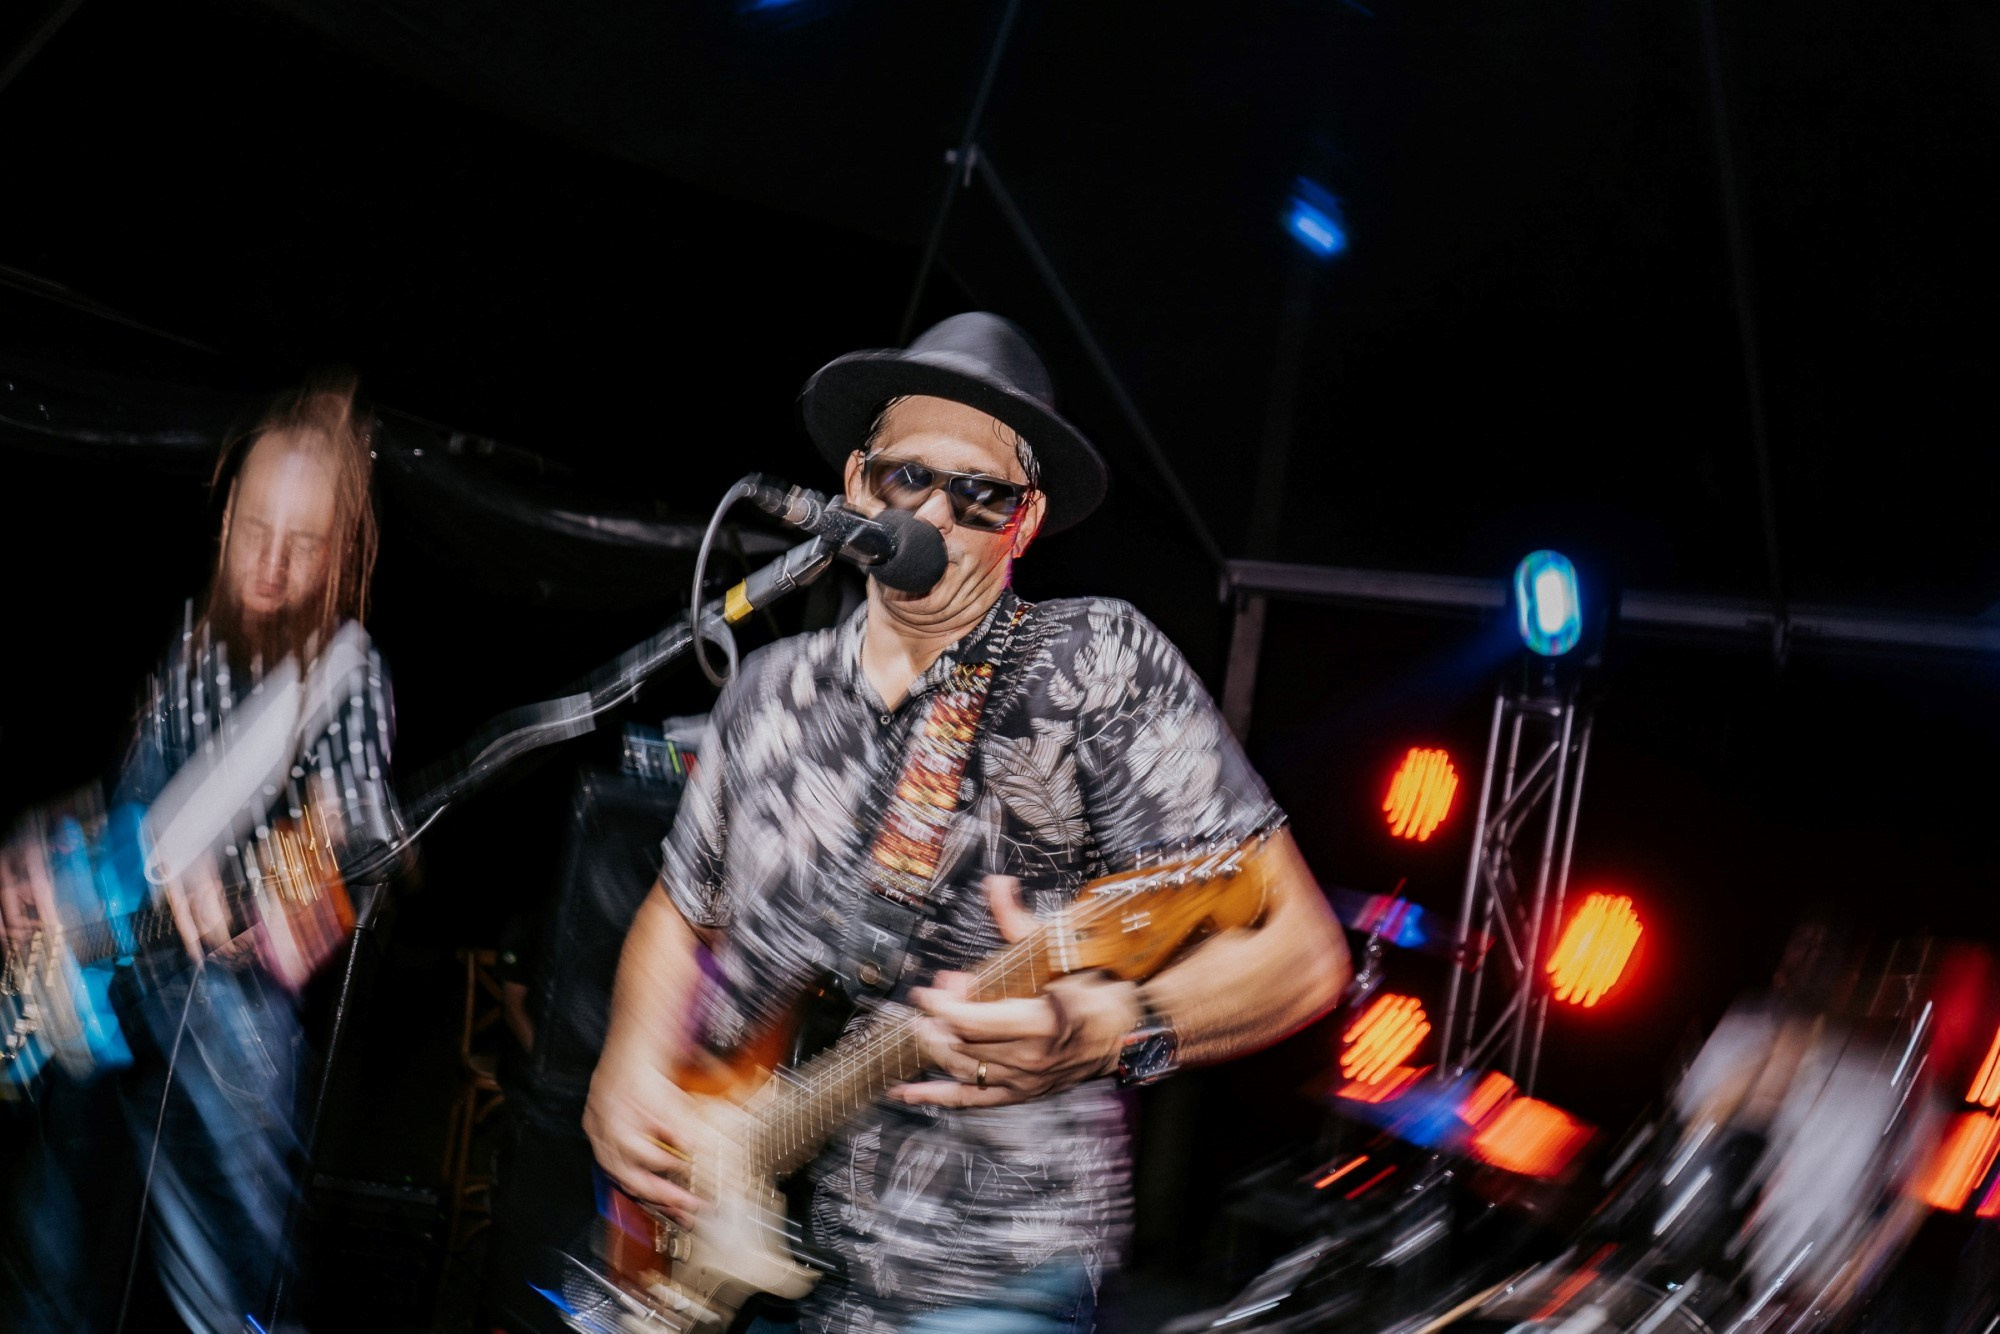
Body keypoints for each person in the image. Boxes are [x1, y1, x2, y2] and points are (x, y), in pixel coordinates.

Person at [584, 313, 1351, 1332]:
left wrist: (1116, 1027)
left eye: (979, 493)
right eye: (909, 479)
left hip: (982, 1274)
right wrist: (630, 1058)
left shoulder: (1094, 666)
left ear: (1022, 523)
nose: (937, 514)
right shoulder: (767, 691)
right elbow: (682, 909)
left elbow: (1302, 952)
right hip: (733, 1230)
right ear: (856, 487)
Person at [0, 373, 399, 1332]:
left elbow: (360, 838)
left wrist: (286, 899)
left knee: (227, 1298)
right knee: (49, 1268)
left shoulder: (345, 679)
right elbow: (136, 812)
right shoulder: (192, 641)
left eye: (299, 546)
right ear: (224, 518)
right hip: (101, 982)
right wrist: (41, 858)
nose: (267, 563)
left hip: (226, 1024)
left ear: (339, 555)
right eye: (252, 530)